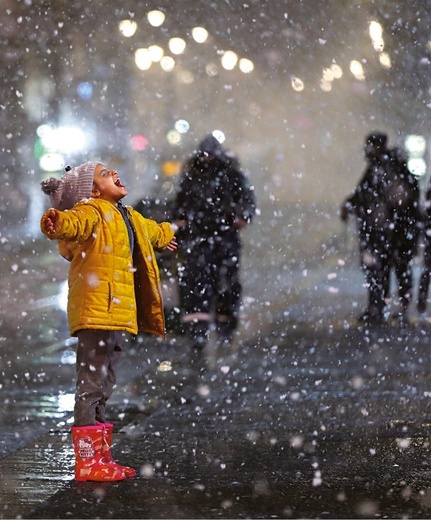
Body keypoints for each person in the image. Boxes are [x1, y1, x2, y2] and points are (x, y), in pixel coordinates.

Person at [40, 161, 177, 482]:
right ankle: (87, 462)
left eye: (112, 171)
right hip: (95, 310)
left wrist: (166, 233)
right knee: (91, 383)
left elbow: (151, 230)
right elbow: (71, 223)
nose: (115, 174)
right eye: (104, 174)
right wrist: (56, 221)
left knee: (105, 382)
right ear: (92, 190)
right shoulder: (92, 211)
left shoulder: (127, 216)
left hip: (115, 313)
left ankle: (100, 458)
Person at [173, 134, 256, 360]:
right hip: (205, 239)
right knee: (203, 286)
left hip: (217, 238)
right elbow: (181, 204)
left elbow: (247, 200)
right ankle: (202, 335)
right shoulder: (198, 176)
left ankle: (218, 333)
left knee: (218, 286)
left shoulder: (224, 176)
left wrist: (242, 216)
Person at [340, 132, 393, 324]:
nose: (366, 149)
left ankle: (377, 307)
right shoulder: (383, 166)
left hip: (377, 228)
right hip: (382, 227)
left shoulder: (379, 168)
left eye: (369, 145)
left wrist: (350, 205)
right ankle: (380, 306)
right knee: (380, 268)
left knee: (374, 267)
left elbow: (365, 194)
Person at [385, 146, 421, 323]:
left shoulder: (396, 179)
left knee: (399, 269)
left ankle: (401, 304)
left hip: (399, 231)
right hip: (404, 231)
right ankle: (404, 304)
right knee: (402, 269)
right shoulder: (407, 179)